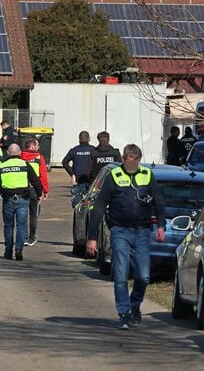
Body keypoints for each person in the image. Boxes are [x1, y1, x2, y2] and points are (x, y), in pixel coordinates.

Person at [86, 143, 167, 330]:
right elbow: (99, 206)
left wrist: (161, 225)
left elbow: (159, 201)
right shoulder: (114, 176)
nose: (132, 166)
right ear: (123, 159)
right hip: (120, 231)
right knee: (121, 276)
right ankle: (123, 312)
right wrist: (91, 237)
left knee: (144, 276)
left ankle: (135, 305)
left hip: (142, 231)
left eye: (135, 163)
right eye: (129, 162)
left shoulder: (147, 175)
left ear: (139, 161)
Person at [0, 143, 43, 261]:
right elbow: (35, 181)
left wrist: (2, 192)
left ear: (7, 153)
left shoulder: (1, 166)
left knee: (8, 226)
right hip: (23, 198)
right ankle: (19, 249)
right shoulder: (25, 165)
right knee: (21, 225)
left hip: (8, 198)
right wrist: (39, 194)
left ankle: (8, 251)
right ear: (20, 152)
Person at [20, 136, 49, 246]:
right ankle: (31, 238)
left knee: (22, 214)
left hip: (22, 188)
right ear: (32, 146)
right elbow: (43, 176)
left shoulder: (20, 156)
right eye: (36, 146)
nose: (38, 148)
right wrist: (45, 190)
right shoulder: (39, 157)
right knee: (33, 214)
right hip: (34, 189)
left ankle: (23, 236)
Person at [62, 130, 95, 198]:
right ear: (89, 139)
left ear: (79, 139)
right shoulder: (94, 150)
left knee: (78, 201)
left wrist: (72, 174)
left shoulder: (74, 150)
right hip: (91, 179)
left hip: (78, 179)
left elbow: (64, 162)